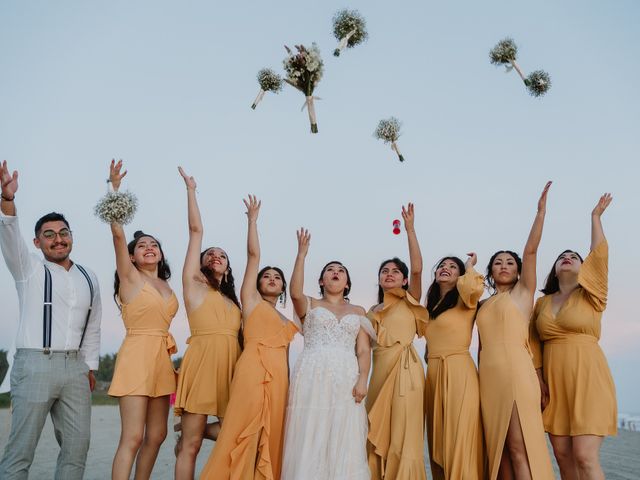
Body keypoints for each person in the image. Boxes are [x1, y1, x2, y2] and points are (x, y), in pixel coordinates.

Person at [0, 160, 102, 480]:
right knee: (21, 451)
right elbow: (9, 232)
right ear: (37, 242)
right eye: (49, 235)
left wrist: (90, 366)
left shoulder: (89, 276)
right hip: (35, 364)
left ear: (71, 236)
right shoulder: (27, 267)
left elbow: (93, 326)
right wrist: (8, 200)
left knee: (77, 448)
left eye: (63, 233)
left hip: (75, 369)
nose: (58, 239)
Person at [200, 195, 299, 479]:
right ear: (256, 284)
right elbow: (253, 256)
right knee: (243, 426)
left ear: (282, 289)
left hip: (280, 377)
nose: (270, 279)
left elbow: (286, 356)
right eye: (266, 276)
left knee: (271, 433)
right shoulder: (251, 301)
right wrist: (252, 221)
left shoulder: (285, 318)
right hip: (253, 369)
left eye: (277, 278)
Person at [531, 193, 616, 480]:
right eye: (562, 257)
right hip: (555, 384)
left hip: (588, 377)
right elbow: (533, 343)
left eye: (574, 257)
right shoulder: (542, 304)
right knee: (564, 457)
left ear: (584, 269)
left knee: (584, 456)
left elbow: (599, 255)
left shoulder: (593, 295)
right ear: (555, 269)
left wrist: (595, 218)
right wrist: (539, 378)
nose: (567, 258)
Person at [281, 229, 375, 480]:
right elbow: (295, 293)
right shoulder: (310, 303)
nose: (335, 272)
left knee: (343, 434)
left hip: (347, 375)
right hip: (313, 373)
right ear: (322, 280)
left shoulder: (358, 310)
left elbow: (363, 349)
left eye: (341, 270)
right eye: (330, 270)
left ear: (347, 283)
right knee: (312, 430)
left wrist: (363, 378)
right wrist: (301, 255)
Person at [476, 181, 555, 480]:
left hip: (516, 371)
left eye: (510, 262)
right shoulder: (482, 304)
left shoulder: (523, 294)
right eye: (498, 263)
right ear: (491, 272)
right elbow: (480, 347)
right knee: (501, 450)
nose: (504, 266)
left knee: (519, 446)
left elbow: (531, 251)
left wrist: (540, 212)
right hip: (489, 378)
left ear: (519, 270)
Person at [106, 160, 178, 480]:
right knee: (133, 437)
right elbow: (119, 236)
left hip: (161, 360)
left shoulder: (167, 285)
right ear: (133, 256)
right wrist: (114, 188)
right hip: (136, 355)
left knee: (158, 435)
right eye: (142, 246)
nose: (148, 248)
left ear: (160, 254)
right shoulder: (130, 278)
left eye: (154, 245)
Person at [173, 167, 242, 479]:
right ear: (200, 263)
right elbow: (195, 231)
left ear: (228, 268)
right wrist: (191, 191)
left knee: (236, 432)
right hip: (202, 363)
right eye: (210, 254)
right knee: (190, 446)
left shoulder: (234, 300)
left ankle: (192, 427)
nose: (216, 256)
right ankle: (190, 429)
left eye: (222, 255)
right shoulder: (194, 286)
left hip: (232, 366)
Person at [366, 203, 428, 479]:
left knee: (404, 434)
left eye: (395, 271)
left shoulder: (409, 300)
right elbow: (361, 350)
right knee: (374, 432)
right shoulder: (371, 312)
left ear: (403, 280)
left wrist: (410, 230)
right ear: (379, 279)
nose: (389, 274)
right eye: (384, 271)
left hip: (406, 373)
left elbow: (417, 269)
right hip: (378, 374)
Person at [424, 253, 485, 479]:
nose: (445, 268)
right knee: (438, 442)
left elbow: (474, 287)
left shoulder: (465, 299)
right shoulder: (431, 305)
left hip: (459, 371)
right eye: (442, 265)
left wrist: (469, 266)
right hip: (433, 374)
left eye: (453, 267)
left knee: (459, 440)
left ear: (460, 276)